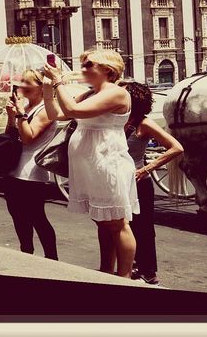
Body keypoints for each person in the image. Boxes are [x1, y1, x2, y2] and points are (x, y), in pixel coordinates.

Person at [42, 49, 139, 278]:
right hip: (90, 164)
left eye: (89, 65)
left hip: (107, 162)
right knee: (102, 221)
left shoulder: (116, 93)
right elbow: (57, 114)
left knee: (117, 222)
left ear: (107, 69)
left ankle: (124, 277)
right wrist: (48, 91)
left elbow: (73, 111)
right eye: (83, 65)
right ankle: (106, 271)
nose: (83, 69)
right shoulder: (90, 93)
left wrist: (58, 82)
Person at [118, 80, 184, 285]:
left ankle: (148, 271)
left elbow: (176, 148)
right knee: (121, 226)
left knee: (143, 228)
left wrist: (146, 168)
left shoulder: (144, 123)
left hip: (139, 183)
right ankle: (130, 266)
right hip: (119, 181)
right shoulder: (117, 120)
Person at [0, 70, 58, 260]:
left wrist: (20, 113)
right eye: (21, 81)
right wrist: (11, 115)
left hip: (32, 173)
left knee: (37, 218)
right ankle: (27, 254)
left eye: (26, 82)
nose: (21, 85)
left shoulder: (46, 109)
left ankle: (52, 259)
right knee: (17, 215)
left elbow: (28, 138)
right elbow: (11, 134)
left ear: (40, 87)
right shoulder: (26, 106)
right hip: (14, 169)